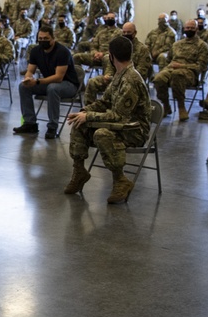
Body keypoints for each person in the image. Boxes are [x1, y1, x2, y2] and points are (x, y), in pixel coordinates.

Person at [64, 36, 151, 204]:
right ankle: (79, 170)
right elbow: (105, 102)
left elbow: (119, 116)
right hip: (121, 125)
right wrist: (85, 111)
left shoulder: (130, 79)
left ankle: (120, 180)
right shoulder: (120, 75)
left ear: (111, 56)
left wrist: (88, 116)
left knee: (103, 134)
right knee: (79, 124)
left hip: (135, 130)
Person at [15, 26, 80, 140]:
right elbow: (30, 70)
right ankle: (30, 123)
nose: (42, 41)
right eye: (40, 38)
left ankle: (52, 126)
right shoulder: (36, 51)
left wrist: (38, 81)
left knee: (52, 88)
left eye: (46, 38)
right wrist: (28, 79)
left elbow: (59, 77)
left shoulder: (62, 51)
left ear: (53, 38)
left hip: (69, 85)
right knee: (23, 87)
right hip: (50, 83)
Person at [153, 18, 208, 120]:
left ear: (196, 29)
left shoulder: (202, 46)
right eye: (187, 28)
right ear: (184, 29)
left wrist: (182, 66)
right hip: (172, 69)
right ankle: (166, 105)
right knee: (158, 78)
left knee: (177, 75)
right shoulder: (177, 44)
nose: (189, 29)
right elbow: (168, 60)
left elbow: (201, 66)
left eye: (192, 28)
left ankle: (181, 106)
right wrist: (168, 67)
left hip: (190, 73)